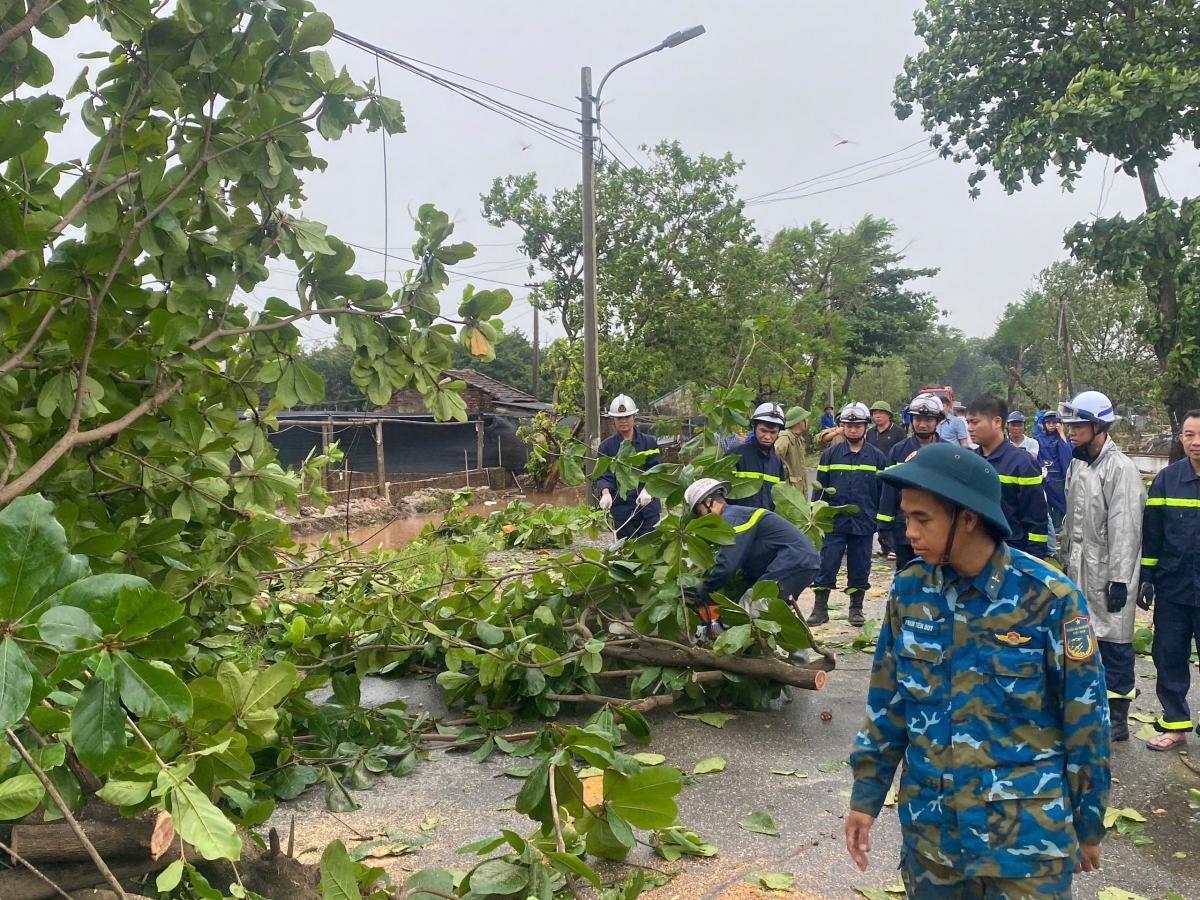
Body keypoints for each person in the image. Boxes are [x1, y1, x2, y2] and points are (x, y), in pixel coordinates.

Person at [846, 442, 1110, 896]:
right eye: (906, 516)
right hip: (934, 841)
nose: (907, 530)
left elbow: (1086, 721)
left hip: (1027, 846)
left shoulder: (1050, 599)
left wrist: (1088, 824)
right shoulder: (910, 591)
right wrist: (865, 797)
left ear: (968, 518)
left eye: (921, 518)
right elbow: (887, 705)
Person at [1060, 390, 1145, 742]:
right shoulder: (1079, 463)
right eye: (1070, 425)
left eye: (1078, 424)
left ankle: (1119, 717)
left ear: (1098, 426)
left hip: (1109, 571)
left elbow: (1126, 527)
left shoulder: (1119, 468)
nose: (1071, 431)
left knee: (1115, 643)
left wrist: (1120, 580)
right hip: (1078, 567)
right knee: (1082, 638)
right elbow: (1070, 520)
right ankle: (1086, 709)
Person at [1139, 410, 1200, 752]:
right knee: (1169, 656)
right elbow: (1154, 534)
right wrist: (1147, 577)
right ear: (1181, 439)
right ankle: (1175, 725)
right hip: (1173, 587)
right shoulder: (1166, 480)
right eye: (1189, 435)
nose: (1196, 442)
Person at [686, 478, 821, 618]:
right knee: (766, 614)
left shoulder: (731, 519)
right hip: (799, 563)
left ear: (708, 501)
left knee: (749, 609)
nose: (701, 517)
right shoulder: (738, 515)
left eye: (699, 511)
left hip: (793, 562)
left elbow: (727, 565)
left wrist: (701, 593)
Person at [808, 403, 889, 627]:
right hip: (833, 521)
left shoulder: (877, 457)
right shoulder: (830, 455)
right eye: (849, 425)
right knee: (827, 563)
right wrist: (816, 515)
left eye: (858, 425)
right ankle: (820, 608)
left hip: (864, 521)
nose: (853, 430)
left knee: (860, 565)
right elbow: (820, 488)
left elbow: (883, 492)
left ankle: (856, 608)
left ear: (866, 428)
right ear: (842, 427)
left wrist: (880, 521)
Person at [965, 394, 1049, 558]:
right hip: (973, 554)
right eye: (968, 422)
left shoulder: (1022, 463)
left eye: (975, 422)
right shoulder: (969, 461)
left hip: (1011, 555)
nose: (969, 428)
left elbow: (1036, 520)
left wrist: (1032, 563)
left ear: (997, 422)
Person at [876, 392, 943, 569]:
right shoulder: (898, 451)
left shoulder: (948, 453)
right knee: (906, 575)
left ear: (938, 421)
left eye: (928, 420)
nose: (922, 424)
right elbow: (888, 490)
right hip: (905, 526)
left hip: (939, 527)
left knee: (938, 575)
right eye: (918, 419)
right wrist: (884, 524)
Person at [595, 394, 660, 539]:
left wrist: (647, 489)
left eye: (627, 417)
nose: (623, 421)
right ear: (613, 419)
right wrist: (606, 494)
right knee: (626, 551)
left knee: (651, 547)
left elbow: (655, 470)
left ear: (634, 417)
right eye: (619, 418)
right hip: (622, 508)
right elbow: (603, 474)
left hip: (648, 506)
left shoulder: (649, 443)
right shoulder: (606, 447)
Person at [866, 401, 907, 559]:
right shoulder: (870, 433)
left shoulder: (897, 432)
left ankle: (893, 547)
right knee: (878, 511)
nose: (878, 416)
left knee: (891, 511)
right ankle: (883, 544)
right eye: (875, 413)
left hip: (892, 477)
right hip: (875, 476)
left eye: (881, 413)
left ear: (889, 415)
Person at [728, 402, 786, 511]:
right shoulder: (735, 455)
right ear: (754, 427)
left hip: (766, 523)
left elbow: (780, 497)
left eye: (773, 432)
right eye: (763, 431)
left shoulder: (777, 461)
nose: (767, 437)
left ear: (779, 432)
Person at [1037, 411, 1074, 532]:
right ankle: (1049, 530)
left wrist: (1062, 434)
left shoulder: (1063, 438)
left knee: (1059, 506)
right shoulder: (1039, 439)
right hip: (1044, 478)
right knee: (1045, 505)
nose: (1051, 425)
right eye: (1049, 422)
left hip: (1058, 478)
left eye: (1054, 422)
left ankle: (1058, 529)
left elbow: (1068, 456)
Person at [772, 406, 811, 496]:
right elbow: (773, 459)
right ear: (799, 422)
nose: (807, 421)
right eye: (805, 419)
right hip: (789, 490)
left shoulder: (798, 438)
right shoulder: (785, 438)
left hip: (799, 488)